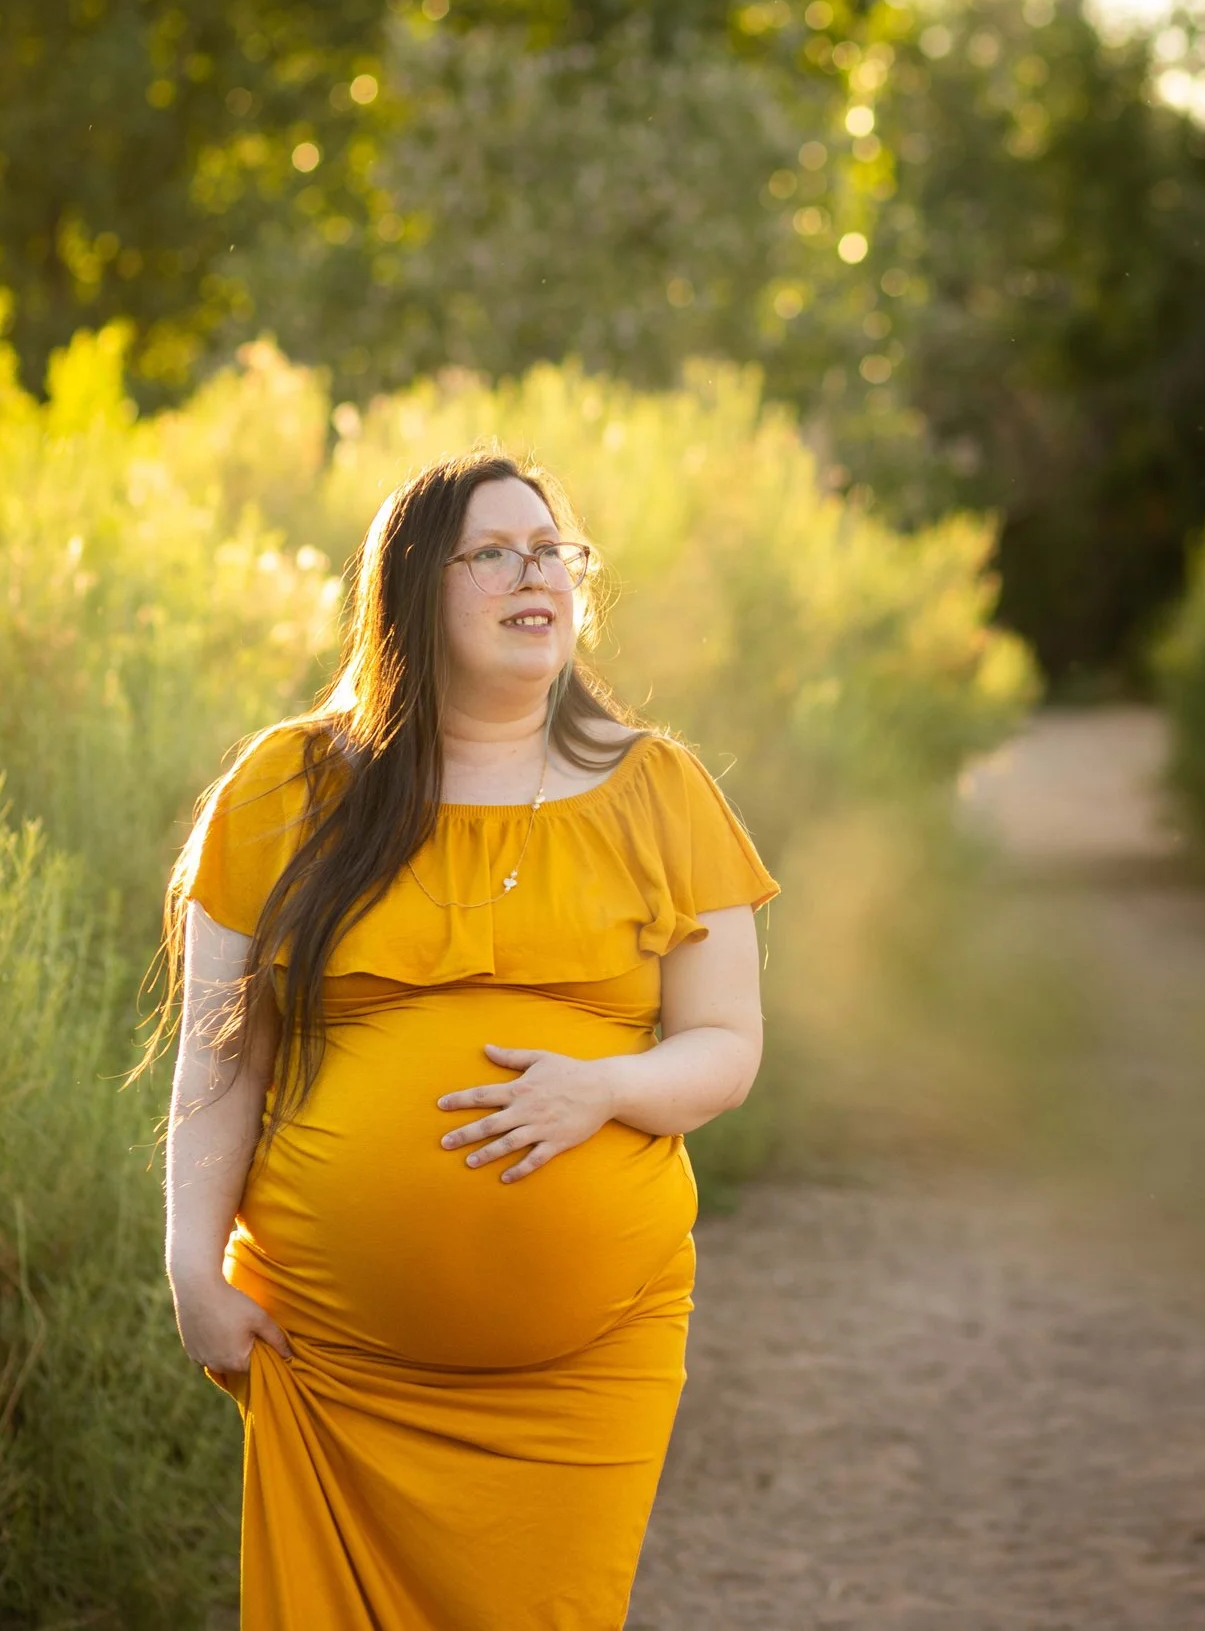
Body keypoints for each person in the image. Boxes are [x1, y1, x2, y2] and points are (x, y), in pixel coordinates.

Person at [153, 449, 780, 1628]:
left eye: (552, 551)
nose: (532, 571)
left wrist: (602, 1087)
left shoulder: (662, 791)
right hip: (336, 1365)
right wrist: (192, 1262)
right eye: (492, 551)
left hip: (585, 1369)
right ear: (409, 589)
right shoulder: (286, 786)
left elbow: (724, 1047)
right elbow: (220, 1054)